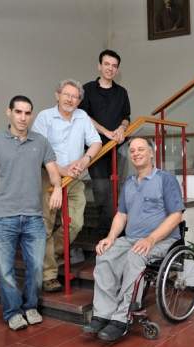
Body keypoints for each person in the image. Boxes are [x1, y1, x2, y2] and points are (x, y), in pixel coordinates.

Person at [83, 137, 185, 342]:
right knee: (105, 255)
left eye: (141, 149)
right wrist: (110, 238)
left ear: (151, 153)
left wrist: (150, 239)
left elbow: (176, 215)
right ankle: (103, 313)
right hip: (130, 238)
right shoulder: (129, 183)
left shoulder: (165, 179)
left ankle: (122, 318)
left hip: (161, 241)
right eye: (132, 151)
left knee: (134, 256)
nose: (136, 153)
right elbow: (121, 215)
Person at [0, 95, 62, 331]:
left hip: (34, 217)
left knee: (36, 269)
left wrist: (57, 187)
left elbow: (54, 172)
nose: (23, 117)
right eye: (18, 112)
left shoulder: (41, 141)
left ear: (31, 115)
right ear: (9, 113)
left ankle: (31, 306)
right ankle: (13, 311)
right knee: (5, 271)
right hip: (3, 217)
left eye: (27, 113)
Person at [32, 79, 102, 292]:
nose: (71, 99)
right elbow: (39, 149)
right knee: (45, 224)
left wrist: (84, 161)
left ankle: (48, 256)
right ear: (57, 95)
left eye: (75, 96)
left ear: (79, 100)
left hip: (75, 180)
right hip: (49, 177)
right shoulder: (45, 117)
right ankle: (49, 275)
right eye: (67, 95)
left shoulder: (82, 117)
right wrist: (62, 170)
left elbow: (96, 142)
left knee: (75, 223)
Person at [79, 49, 131, 235]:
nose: (110, 68)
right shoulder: (87, 90)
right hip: (96, 148)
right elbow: (84, 116)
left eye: (114, 66)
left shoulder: (122, 92)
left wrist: (122, 128)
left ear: (117, 70)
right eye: (107, 64)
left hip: (119, 147)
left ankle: (114, 228)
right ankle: (104, 229)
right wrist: (106, 132)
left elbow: (126, 117)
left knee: (118, 187)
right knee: (101, 188)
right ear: (99, 66)